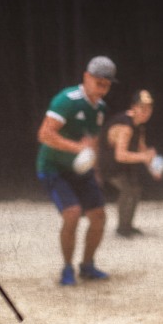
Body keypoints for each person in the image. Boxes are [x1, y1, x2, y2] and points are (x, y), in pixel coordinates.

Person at [36, 55, 116, 285]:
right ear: (86, 77)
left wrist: (96, 170)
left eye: (107, 85)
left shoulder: (100, 108)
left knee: (98, 216)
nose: (102, 90)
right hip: (53, 168)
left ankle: (87, 266)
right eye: (99, 83)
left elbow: (94, 141)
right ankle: (67, 268)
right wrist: (77, 148)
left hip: (81, 170)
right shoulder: (67, 100)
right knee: (72, 214)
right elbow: (44, 134)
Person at [98, 89, 160, 237]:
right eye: (142, 108)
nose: (146, 112)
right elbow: (120, 155)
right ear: (133, 107)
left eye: (149, 108)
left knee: (136, 190)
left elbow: (142, 148)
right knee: (128, 189)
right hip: (109, 164)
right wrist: (144, 157)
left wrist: (154, 168)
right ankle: (122, 228)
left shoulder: (139, 126)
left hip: (123, 165)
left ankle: (128, 225)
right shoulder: (126, 127)